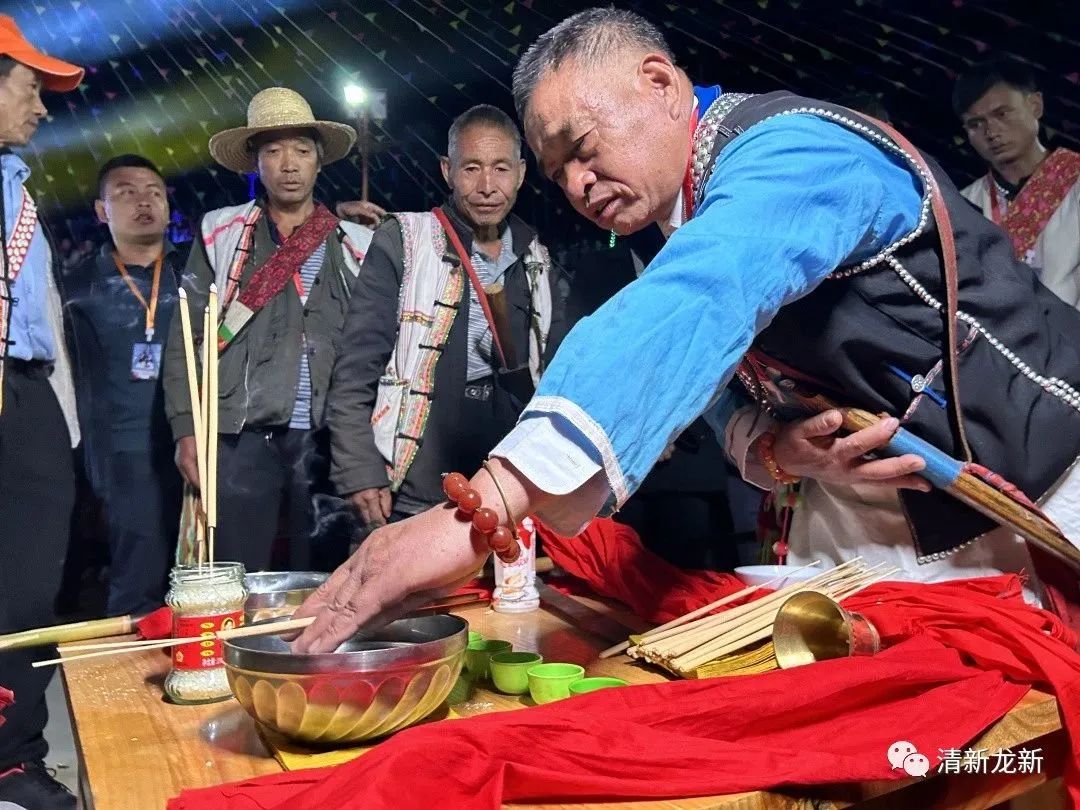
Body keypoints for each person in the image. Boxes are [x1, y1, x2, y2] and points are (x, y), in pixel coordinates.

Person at [293, 8, 1080, 654]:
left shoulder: (793, 148)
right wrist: (770, 447)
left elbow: (704, 293)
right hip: (872, 520)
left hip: (1034, 486)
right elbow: (714, 375)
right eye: (557, 172)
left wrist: (490, 500)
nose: (577, 185)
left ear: (660, 83)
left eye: (583, 149)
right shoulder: (673, 216)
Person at [325, 104, 563, 539]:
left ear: (521, 174)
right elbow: (356, 367)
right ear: (447, 171)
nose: (487, 186)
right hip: (414, 484)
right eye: (471, 168)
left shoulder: (536, 260)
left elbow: (553, 374)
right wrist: (358, 469)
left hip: (504, 485)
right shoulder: (406, 240)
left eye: (501, 168)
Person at [162, 87, 374, 572]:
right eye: (273, 151)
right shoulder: (221, 234)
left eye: (301, 150)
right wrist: (185, 428)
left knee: (325, 576)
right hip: (240, 435)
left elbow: (374, 346)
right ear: (255, 163)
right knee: (236, 569)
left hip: (327, 438)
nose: (289, 165)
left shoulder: (356, 244)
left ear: (319, 162)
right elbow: (187, 338)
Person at [0, 14, 83, 809]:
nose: (43, 105)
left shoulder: (16, 189)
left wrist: (60, 424)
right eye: (30, 86)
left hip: (24, 397)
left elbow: (42, 317)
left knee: (27, 587)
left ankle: (14, 758)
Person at [65, 154, 186, 616]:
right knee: (139, 579)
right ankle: (134, 660)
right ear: (102, 211)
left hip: (199, 442)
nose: (144, 202)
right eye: (126, 193)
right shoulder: (76, 289)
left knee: (202, 575)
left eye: (154, 193)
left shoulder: (197, 274)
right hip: (123, 452)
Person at [955, 57, 1080, 309]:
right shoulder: (963, 205)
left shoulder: (1075, 179)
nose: (991, 133)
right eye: (975, 124)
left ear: (1035, 106)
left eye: (1002, 114)